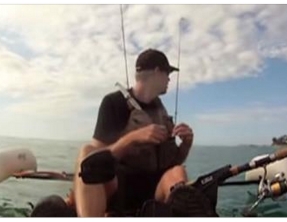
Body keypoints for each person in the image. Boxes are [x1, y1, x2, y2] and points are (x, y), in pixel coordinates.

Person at [30, 49, 216, 217]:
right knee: (87, 152)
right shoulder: (114, 103)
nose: (169, 79)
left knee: (178, 172)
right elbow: (95, 161)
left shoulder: (161, 111)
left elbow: (172, 162)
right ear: (157, 71)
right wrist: (133, 138)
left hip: (154, 190)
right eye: (168, 74)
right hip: (119, 188)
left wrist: (186, 144)